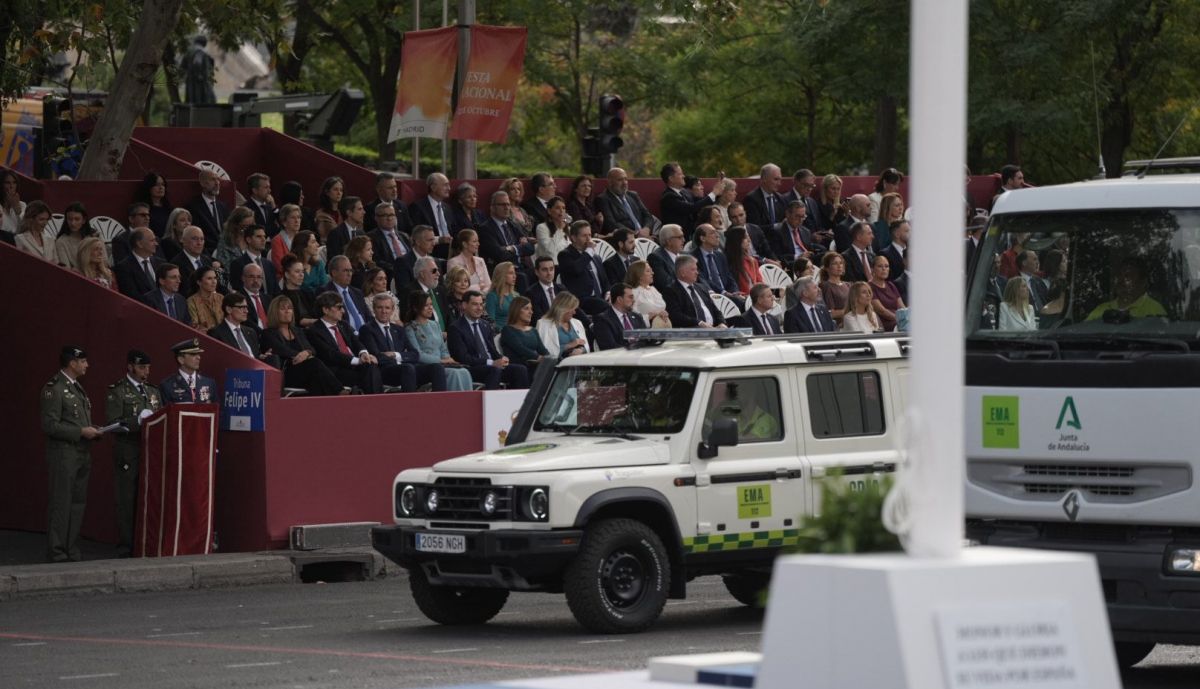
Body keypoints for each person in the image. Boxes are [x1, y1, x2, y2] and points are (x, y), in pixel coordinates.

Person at [42, 345, 102, 562]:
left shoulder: (77, 388)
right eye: (83, 361)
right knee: (61, 502)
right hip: (64, 454)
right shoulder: (54, 388)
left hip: (81, 452)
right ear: (72, 363)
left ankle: (70, 547)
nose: (87, 365)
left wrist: (92, 430)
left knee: (77, 503)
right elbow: (49, 425)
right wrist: (80, 432)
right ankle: (57, 550)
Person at [104, 349, 163, 557]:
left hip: (151, 449)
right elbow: (112, 422)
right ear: (130, 366)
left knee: (150, 495)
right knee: (127, 498)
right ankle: (126, 545)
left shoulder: (153, 391)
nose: (145, 371)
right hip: (128, 448)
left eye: (147, 367)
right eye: (141, 367)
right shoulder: (118, 390)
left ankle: (146, 542)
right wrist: (135, 421)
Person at [360, 292, 447, 392]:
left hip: (406, 368)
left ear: (392, 310)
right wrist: (402, 357)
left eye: (387, 308)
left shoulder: (399, 329)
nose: (384, 311)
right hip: (385, 371)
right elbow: (375, 356)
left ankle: (439, 404)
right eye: (380, 307)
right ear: (374, 309)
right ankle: (410, 406)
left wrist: (395, 355)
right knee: (408, 368)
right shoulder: (367, 329)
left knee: (437, 368)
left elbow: (415, 354)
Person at [260, 296, 344, 396]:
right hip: (287, 372)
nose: (287, 311)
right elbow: (281, 350)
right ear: (274, 312)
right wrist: (303, 354)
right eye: (283, 309)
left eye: (290, 308)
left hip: (305, 370)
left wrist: (307, 353)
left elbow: (312, 349)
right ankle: (340, 392)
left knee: (316, 378)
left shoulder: (298, 331)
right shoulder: (268, 333)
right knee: (314, 364)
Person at [448, 290, 530, 389]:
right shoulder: (456, 328)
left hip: (492, 366)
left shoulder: (485, 325)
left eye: (481, 304)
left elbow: (492, 351)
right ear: (464, 305)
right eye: (475, 304)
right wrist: (491, 363)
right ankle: (492, 403)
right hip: (472, 368)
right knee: (494, 370)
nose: (479, 308)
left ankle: (521, 403)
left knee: (520, 369)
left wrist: (501, 359)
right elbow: (463, 357)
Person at [306, 291, 383, 394]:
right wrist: (357, 360)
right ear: (325, 310)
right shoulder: (314, 330)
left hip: (355, 365)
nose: (343, 311)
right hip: (337, 370)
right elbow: (330, 354)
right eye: (339, 307)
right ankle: (375, 403)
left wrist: (364, 353)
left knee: (372, 366)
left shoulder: (344, 325)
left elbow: (357, 343)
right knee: (369, 375)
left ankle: (375, 402)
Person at [405, 292, 473, 391]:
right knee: (454, 374)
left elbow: (443, 348)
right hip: (427, 367)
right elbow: (417, 354)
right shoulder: (410, 328)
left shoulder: (435, 325)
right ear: (416, 308)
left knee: (464, 372)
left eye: (431, 304)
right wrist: (441, 361)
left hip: (444, 364)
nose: (430, 308)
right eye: (426, 305)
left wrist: (448, 360)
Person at [208, 292, 278, 366]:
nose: (246, 311)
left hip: (254, 372)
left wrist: (262, 357)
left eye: (246, 307)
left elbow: (255, 356)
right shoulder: (216, 333)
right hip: (234, 373)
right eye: (242, 307)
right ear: (228, 309)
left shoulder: (251, 332)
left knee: (273, 359)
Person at [1085, 258, 1167, 321]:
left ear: (1143, 282)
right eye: (1119, 275)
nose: (1121, 280)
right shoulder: (1101, 310)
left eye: (1128, 276)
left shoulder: (1155, 310)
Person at [558, 219, 611, 314]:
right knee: (607, 308)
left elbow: (605, 280)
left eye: (590, 235)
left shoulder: (595, 257)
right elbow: (576, 269)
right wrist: (589, 251)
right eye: (584, 236)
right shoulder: (565, 255)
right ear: (573, 238)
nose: (588, 239)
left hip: (601, 299)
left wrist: (608, 292)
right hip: (580, 301)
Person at [664, 255, 726, 328]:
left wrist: (722, 323)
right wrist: (699, 322)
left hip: (714, 328)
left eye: (696, 269)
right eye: (693, 270)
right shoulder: (671, 291)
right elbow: (676, 316)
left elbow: (716, 310)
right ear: (682, 273)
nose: (697, 273)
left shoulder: (702, 287)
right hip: (693, 329)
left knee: (739, 319)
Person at [479, 190, 534, 269]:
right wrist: (520, 248)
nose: (506, 208)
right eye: (502, 204)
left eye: (508, 204)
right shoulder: (485, 228)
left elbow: (530, 248)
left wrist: (512, 248)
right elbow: (499, 255)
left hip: (520, 267)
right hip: (501, 271)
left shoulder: (513, 225)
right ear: (492, 208)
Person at [594, 167, 656, 237]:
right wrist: (634, 234)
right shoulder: (603, 199)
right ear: (610, 182)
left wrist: (646, 229)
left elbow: (648, 216)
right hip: (625, 239)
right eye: (620, 180)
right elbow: (611, 224)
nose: (624, 183)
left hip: (644, 236)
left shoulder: (633, 195)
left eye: (626, 179)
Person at [320, 255, 371, 332]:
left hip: (366, 334)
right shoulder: (325, 292)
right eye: (345, 271)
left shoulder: (357, 292)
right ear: (334, 273)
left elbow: (368, 316)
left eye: (351, 271)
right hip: (346, 335)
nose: (349, 274)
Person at [408, 172, 454, 256]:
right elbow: (416, 234)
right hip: (431, 251)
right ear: (433, 187)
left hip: (450, 250)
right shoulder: (418, 207)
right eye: (445, 185)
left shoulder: (448, 208)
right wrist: (439, 240)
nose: (449, 188)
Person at [160, 338, 218, 404]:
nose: (198, 357)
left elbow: (217, 411)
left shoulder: (209, 383)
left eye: (198, 354)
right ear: (181, 359)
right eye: (193, 354)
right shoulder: (167, 385)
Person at [185, 167, 229, 252]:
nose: (217, 183)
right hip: (206, 252)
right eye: (213, 180)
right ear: (202, 183)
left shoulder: (223, 207)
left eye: (218, 180)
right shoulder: (193, 207)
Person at [114, 227, 165, 298]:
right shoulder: (124, 268)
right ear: (139, 244)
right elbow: (132, 296)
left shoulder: (161, 263)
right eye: (152, 240)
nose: (156, 244)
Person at [592, 283, 646, 350]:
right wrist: (633, 349)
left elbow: (646, 339)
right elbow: (610, 347)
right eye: (630, 297)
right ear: (619, 299)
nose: (634, 300)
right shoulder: (602, 320)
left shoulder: (637, 317)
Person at [499, 295, 550, 366]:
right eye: (526, 308)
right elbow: (521, 349)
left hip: (534, 364)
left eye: (531, 309)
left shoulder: (533, 330)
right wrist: (538, 357)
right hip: (517, 367)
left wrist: (551, 358)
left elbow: (543, 350)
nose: (531, 312)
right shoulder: (507, 330)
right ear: (516, 310)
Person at [537, 291, 590, 358]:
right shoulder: (543, 324)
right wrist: (569, 345)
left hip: (580, 362)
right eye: (572, 309)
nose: (574, 312)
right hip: (558, 366)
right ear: (563, 309)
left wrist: (581, 350)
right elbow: (545, 352)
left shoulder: (577, 323)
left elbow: (586, 346)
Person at [230, 222, 277, 294]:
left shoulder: (269, 264)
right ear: (248, 239)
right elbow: (238, 290)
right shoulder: (238, 264)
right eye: (258, 236)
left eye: (264, 236)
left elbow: (275, 289)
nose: (263, 239)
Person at [659, 162, 703, 237]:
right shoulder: (668, 197)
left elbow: (697, 203)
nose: (683, 176)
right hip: (677, 237)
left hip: (693, 233)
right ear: (671, 178)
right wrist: (713, 194)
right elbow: (691, 208)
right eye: (680, 174)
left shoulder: (684, 192)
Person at [368, 200, 412, 275]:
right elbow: (377, 261)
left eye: (392, 215)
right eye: (385, 215)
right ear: (376, 218)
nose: (389, 218)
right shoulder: (371, 237)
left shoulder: (404, 236)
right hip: (391, 274)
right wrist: (399, 269)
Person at [172, 225, 216, 295]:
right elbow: (184, 290)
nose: (199, 243)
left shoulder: (207, 260)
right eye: (195, 239)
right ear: (184, 241)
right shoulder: (176, 264)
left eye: (202, 239)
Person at [409, 256, 451, 331]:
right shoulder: (411, 293)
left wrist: (449, 333)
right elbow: (411, 321)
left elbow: (449, 316)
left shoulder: (440, 290)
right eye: (434, 271)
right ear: (422, 274)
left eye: (438, 270)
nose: (438, 274)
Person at [626, 259, 671, 328]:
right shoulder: (633, 293)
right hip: (646, 330)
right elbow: (631, 317)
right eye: (648, 271)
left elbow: (662, 307)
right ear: (639, 275)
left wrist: (664, 313)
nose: (652, 273)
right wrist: (651, 315)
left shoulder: (653, 289)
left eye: (651, 270)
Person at [279, 254, 320, 327]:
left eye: (303, 272)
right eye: (297, 272)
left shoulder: (308, 293)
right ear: (287, 275)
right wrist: (319, 321)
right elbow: (296, 320)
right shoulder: (281, 297)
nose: (301, 275)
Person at [742, 163, 785, 229]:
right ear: (764, 179)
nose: (779, 184)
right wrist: (777, 227)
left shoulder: (780, 198)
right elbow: (755, 229)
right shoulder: (751, 199)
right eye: (776, 179)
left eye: (780, 180)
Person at [869, 255, 905, 331]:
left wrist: (907, 317)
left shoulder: (891, 285)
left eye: (886, 266)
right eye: (880, 266)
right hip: (884, 325)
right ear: (872, 269)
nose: (884, 269)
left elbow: (902, 307)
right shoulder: (869, 287)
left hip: (899, 321)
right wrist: (900, 319)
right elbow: (882, 311)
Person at [54, 202, 95, 268]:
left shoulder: (95, 236)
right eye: (70, 219)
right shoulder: (61, 242)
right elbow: (66, 268)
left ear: (84, 220)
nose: (73, 223)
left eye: (77, 219)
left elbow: (104, 261)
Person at [523, 255, 563, 322]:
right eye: (545, 270)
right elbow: (538, 318)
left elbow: (574, 309)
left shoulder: (561, 289)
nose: (549, 273)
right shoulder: (531, 293)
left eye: (551, 269)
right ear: (536, 272)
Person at [724, 226, 762, 296]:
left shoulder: (753, 261)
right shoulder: (727, 263)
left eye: (748, 237)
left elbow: (760, 283)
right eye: (745, 238)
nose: (749, 240)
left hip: (756, 298)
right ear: (737, 240)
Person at [326, 195, 366, 261]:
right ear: (349, 213)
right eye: (360, 209)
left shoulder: (361, 233)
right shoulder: (336, 234)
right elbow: (334, 260)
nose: (364, 212)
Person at [648, 224, 686, 292]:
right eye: (680, 237)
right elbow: (666, 283)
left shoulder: (685, 255)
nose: (684, 240)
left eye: (683, 236)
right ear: (669, 241)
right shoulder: (655, 258)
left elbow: (699, 277)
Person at [534, 196, 571, 264]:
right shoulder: (542, 228)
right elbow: (550, 251)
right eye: (557, 208)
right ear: (549, 211)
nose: (561, 211)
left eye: (563, 208)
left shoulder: (568, 229)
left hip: (568, 265)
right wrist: (559, 230)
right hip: (551, 266)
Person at [185, 266, 223, 330]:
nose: (214, 282)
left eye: (215, 278)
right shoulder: (192, 301)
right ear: (199, 282)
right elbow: (195, 326)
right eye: (209, 278)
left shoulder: (221, 298)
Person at [136, 172, 173, 237]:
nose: (161, 187)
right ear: (149, 187)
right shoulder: (143, 209)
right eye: (156, 184)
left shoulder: (168, 207)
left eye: (163, 184)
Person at [270, 203, 303, 273]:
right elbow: (280, 266)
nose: (297, 221)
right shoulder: (277, 240)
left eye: (299, 217)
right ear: (284, 222)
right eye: (293, 217)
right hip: (285, 278)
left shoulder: (303, 238)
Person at [819, 252, 850, 322]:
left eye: (841, 263)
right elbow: (831, 313)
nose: (839, 266)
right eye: (835, 263)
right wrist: (851, 311)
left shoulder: (848, 285)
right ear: (827, 268)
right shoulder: (825, 286)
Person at [314, 176, 345, 243]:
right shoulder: (321, 215)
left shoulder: (343, 213)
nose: (339, 193)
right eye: (335, 189)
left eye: (341, 190)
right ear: (327, 192)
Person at [1, 168, 27, 237]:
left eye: (14, 182)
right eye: (7, 183)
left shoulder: (22, 205)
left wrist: (18, 213)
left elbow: (25, 231)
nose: (11, 186)